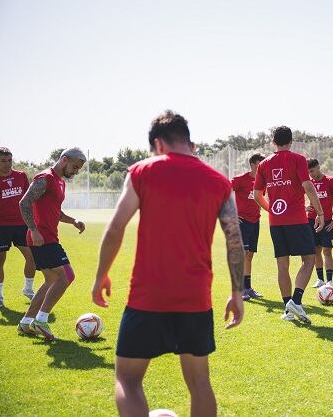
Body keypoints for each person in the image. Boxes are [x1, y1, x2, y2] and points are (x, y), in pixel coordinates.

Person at [92, 111, 245, 417]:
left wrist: (101, 276)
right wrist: (237, 293)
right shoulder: (219, 182)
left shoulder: (141, 171)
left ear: (158, 144)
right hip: (195, 298)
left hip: (148, 296)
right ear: (191, 142)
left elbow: (115, 228)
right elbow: (234, 240)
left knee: (128, 378)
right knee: (200, 381)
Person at [254, 126, 324, 323]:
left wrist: (272, 210)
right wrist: (320, 212)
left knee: (282, 264)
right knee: (309, 259)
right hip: (296, 219)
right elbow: (308, 186)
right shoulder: (298, 159)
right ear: (291, 141)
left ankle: (287, 309)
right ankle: (296, 301)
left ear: (273, 141)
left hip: (276, 221)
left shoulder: (264, 164)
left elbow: (257, 195)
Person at [16, 148, 86, 340]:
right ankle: (41, 320)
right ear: (64, 160)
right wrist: (34, 229)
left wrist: (73, 221)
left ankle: (25, 322)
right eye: (75, 167)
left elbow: (56, 212)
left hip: (49, 237)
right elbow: (24, 202)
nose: (76, 171)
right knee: (66, 277)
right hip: (42, 238)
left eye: (78, 169)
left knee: (51, 281)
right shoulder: (45, 178)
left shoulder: (60, 182)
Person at [0, 147, 36, 306]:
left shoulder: (21, 176)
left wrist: (34, 222)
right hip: (1, 226)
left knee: (32, 257)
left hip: (22, 224)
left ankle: (28, 289)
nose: (7, 164)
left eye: (9, 160)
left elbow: (28, 199)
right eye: (3, 161)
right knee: (0, 261)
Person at [231, 153, 265, 300]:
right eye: (259, 165)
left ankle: (248, 288)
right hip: (242, 221)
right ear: (252, 164)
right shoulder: (240, 180)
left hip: (255, 221)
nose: (262, 168)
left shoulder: (263, 182)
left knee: (250, 255)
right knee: (243, 254)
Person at [307, 158, 333, 289]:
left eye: (312, 171)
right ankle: (320, 279)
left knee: (327, 250)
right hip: (311, 221)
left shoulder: (331, 181)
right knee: (316, 250)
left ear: (318, 167)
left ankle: (330, 281)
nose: (311, 174)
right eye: (309, 172)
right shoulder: (308, 183)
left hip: (327, 221)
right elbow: (297, 197)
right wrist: (305, 207)